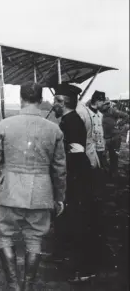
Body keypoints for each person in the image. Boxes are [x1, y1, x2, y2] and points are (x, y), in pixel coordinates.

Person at [0, 82, 66, 291]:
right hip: (41, 192)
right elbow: (59, 169)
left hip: (10, 189)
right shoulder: (54, 129)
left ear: (21, 99)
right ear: (41, 101)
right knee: (35, 238)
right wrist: (59, 197)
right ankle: (28, 286)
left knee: (5, 235)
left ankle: (13, 285)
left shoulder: (5, 124)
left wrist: (7, 165)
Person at [52, 83, 99, 283]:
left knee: (79, 221)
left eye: (56, 101)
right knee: (70, 219)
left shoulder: (71, 122)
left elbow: (74, 156)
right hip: (76, 177)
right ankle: (64, 255)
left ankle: (84, 267)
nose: (53, 105)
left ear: (63, 103)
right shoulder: (70, 119)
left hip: (77, 179)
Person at [100, 99, 129, 179]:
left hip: (115, 137)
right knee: (102, 155)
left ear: (107, 105)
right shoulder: (99, 112)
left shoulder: (113, 111)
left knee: (114, 156)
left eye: (104, 105)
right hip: (104, 138)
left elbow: (126, 116)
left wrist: (120, 124)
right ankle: (107, 171)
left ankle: (113, 174)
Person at [87, 90, 107, 169]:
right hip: (90, 148)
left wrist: (103, 146)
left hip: (99, 147)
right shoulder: (86, 113)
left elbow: (101, 131)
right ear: (98, 101)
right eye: (102, 102)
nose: (103, 105)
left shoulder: (100, 115)